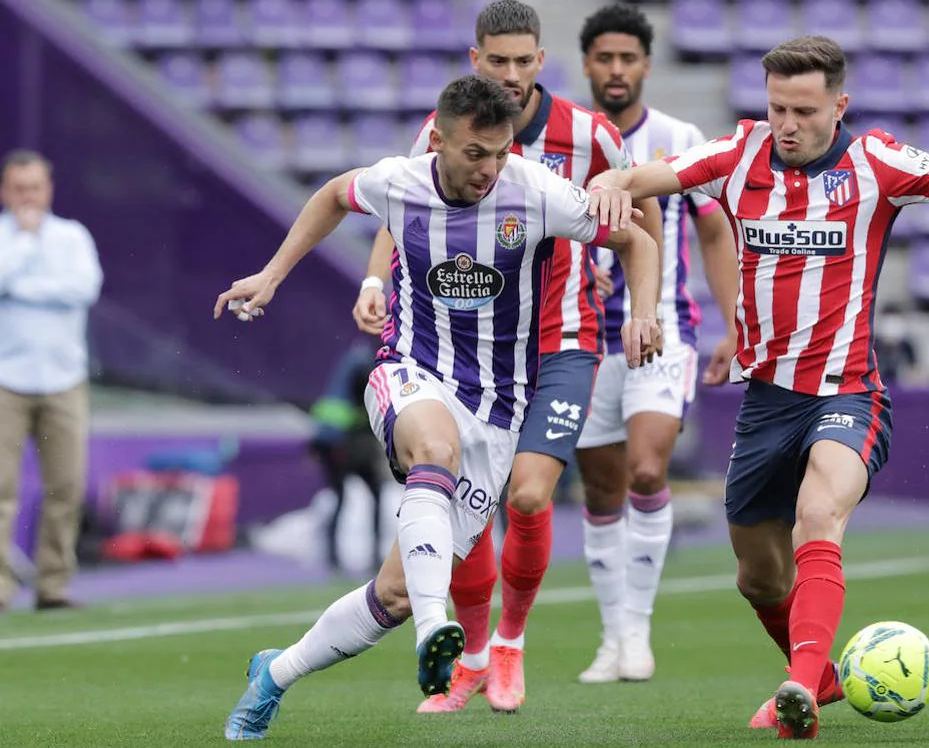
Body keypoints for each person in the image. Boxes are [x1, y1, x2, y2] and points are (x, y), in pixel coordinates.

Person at [587, 33, 929, 739]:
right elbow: (635, 179)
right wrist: (606, 187)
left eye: (804, 110)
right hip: (767, 400)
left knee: (818, 514)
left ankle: (799, 685)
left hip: (848, 393)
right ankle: (822, 679)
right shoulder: (737, 153)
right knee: (757, 577)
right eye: (778, 107)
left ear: (840, 106)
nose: (787, 124)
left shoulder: (876, 164)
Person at [215, 74, 660, 741]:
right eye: (475, 153)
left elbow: (639, 241)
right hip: (410, 373)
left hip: (499, 411)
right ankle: (438, 632)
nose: (490, 168)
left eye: (501, 152)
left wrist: (644, 313)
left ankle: (274, 675)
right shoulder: (399, 180)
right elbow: (333, 195)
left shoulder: (536, 192)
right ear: (441, 142)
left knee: (392, 593)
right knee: (434, 449)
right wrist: (272, 274)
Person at [352, 0, 666, 714]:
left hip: (560, 339)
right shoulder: (442, 133)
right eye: (499, 61)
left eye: (525, 61)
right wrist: (376, 281)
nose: (513, 75)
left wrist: (636, 295)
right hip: (467, 344)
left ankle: (511, 643)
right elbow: (400, 212)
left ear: (541, 61)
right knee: (469, 499)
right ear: (476, 60)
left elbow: (641, 214)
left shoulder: (590, 135)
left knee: (526, 494)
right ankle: (468, 654)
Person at [573, 3, 738, 685]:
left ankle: (637, 632)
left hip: (663, 328)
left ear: (645, 63)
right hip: (579, 339)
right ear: (587, 63)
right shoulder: (565, 138)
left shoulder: (677, 135)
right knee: (601, 487)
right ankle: (613, 637)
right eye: (604, 58)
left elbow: (714, 229)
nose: (616, 70)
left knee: (646, 469)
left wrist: (734, 322)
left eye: (628, 58)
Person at [0, 149, 103, 612]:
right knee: (1, 489)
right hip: (6, 377)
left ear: (49, 189)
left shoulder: (71, 236)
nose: (27, 197)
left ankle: (53, 584)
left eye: (34, 187)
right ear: (5, 191)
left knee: (66, 486)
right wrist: (23, 245)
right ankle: (1, 587)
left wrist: (20, 285)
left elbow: (83, 289)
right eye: (18, 188)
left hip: (63, 377)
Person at [309, 338, 386, 572]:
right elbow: (366, 394)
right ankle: (366, 556)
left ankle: (334, 556)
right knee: (367, 496)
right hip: (346, 444)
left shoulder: (351, 358)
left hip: (333, 442)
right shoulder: (365, 363)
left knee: (342, 498)